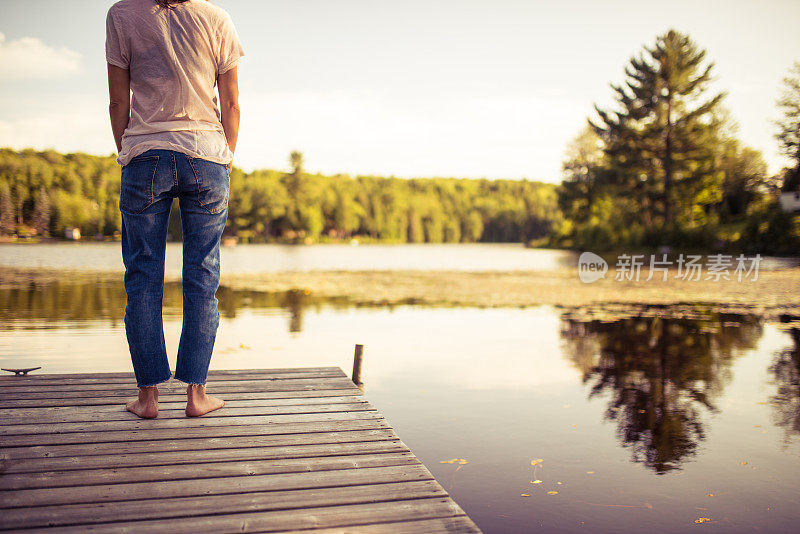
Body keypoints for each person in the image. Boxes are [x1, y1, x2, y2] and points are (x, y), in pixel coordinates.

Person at [105, 0, 244, 418]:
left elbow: (117, 102)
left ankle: (148, 399)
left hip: (146, 154)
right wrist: (226, 156)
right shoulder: (216, 18)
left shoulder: (122, 15)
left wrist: (128, 150)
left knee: (143, 277)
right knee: (202, 276)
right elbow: (232, 103)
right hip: (206, 154)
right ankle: (196, 397)